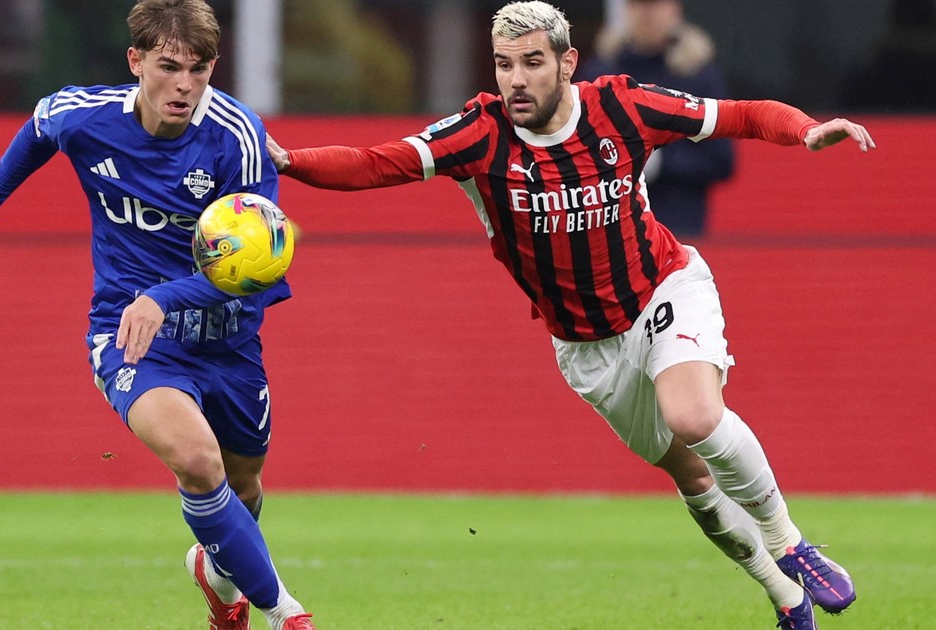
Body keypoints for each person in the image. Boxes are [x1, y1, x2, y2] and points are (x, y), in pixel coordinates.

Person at [266, 2, 873, 628]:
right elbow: (374, 163)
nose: (516, 80)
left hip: (661, 289)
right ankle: (785, 594)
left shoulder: (621, 107)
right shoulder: (478, 135)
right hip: (587, 349)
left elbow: (740, 114)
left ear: (567, 62)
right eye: (504, 65)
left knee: (693, 415)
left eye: (532, 62)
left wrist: (804, 130)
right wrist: (289, 162)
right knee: (693, 477)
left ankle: (789, 542)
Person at [0, 2, 316, 629]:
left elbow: (261, 267)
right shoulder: (87, 117)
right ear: (136, 61)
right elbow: (39, 128)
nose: (185, 85)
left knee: (243, 486)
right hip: (132, 335)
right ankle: (287, 613)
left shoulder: (237, 136)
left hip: (228, 340)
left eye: (199, 69)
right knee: (197, 461)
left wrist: (165, 297)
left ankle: (219, 576)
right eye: (169, 67)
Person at [577, 0, 734, 237]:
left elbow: (721, 160)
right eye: (638, 5)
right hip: (613, 225)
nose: (647, 14)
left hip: (677, 223)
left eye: (655, 5)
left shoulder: (697, 75)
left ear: (674, 8)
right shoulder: (599, 73)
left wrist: (663, 162)